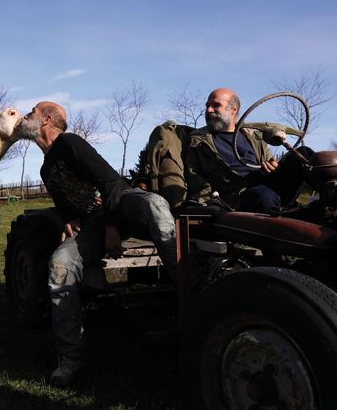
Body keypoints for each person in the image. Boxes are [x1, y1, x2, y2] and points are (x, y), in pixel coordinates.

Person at [16, 101, 177, 387]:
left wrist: (112, 227)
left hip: (121, 204)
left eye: (32, 112)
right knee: (60, 265)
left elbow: (110, 182)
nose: (25, 115)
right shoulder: (45, 170)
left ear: (46, 121)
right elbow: (68, 202)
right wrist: (67, 218)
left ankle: (188, 293)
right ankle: (71, 357)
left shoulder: (69, 143)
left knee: (155, 204)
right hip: (91, 225)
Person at [184, 87, 313, 213]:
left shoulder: (253, 136)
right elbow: (195, 177)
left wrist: (274, 167)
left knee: (305, 154)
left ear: (233, 110)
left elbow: (270, 162)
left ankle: (329, 199)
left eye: (216, 105)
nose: (208, 110)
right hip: (238, 196)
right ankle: (282, 217)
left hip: (267, 184)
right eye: (207, 106)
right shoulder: (198, 141)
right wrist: (207, 202)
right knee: (264, 196)